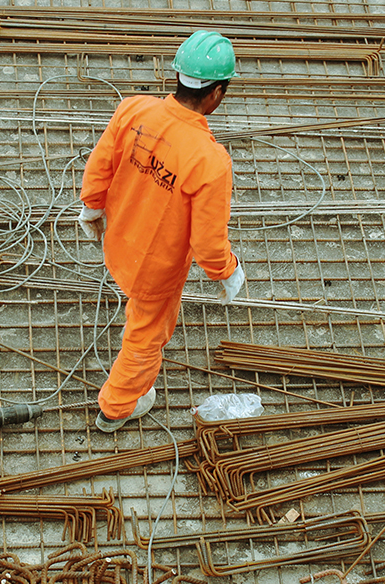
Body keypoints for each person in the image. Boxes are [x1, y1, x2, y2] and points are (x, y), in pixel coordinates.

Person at [77, 30, 247, 433]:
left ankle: (121, 398)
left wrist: (91, 207)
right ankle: (116, 408)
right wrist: (228, 270)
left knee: (138, 313)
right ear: (217, 94)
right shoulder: (210, 161)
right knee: (145, 337)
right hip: (155, 269)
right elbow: (207, 244)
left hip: (118, 241)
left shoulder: (134, 110)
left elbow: (100, 165)